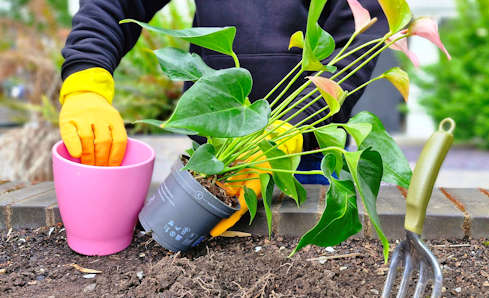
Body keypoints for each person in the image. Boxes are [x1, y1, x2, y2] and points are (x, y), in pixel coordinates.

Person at [59, 0, 387, 233]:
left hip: (303, 155)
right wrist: (86, 81)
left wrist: (289, 131)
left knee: (306, 253)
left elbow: (356, 44)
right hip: (214, 156)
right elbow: (114, 4)